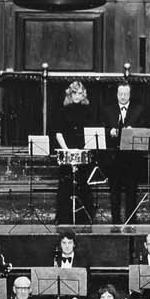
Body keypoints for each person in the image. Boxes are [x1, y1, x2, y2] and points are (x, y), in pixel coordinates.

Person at [54, 79, 97, 225]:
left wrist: (83, 149)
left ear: (83, 94)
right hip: (67, 151)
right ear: (70, 94)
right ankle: (64, 219)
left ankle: (84, 218)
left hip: (83, 151)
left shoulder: (88, 111)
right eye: (74, 93)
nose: (77, 96)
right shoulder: (62, 110)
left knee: (83, 185)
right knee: (66, 187)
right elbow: (58, 133)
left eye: (80, 93)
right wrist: (67, 151)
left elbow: (92, 133)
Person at [102, 82, 144, 225]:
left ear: (130, 94)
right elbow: (102, 130)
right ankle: (115, 224)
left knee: (131, 193)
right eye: (121, 94)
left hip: (132, 160)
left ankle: (131, 224)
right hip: (114, 159)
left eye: (126, 94)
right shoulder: (108, 110)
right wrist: (110, 132)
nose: (123, 97)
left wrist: (134, 130)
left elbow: (144, 131)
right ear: (117, 94)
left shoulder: (139, 110)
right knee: (114, 193)